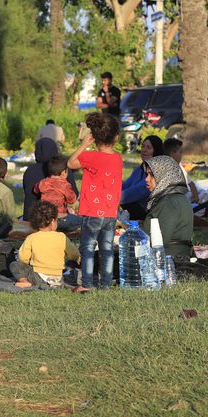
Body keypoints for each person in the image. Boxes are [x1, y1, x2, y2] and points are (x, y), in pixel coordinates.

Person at [67, 112, 122, 292]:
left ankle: (87, 284)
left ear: (95, 136)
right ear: (115, 137)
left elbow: (70, 163)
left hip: (92, 212)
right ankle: (106, 284)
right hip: (110, 213)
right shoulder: (118, 159)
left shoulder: (91, 157)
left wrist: (84, 144)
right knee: (107, 249)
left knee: (88, 249)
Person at [10, 201, 81, 289]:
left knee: (14, 265)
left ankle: (24, 281)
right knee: (70, 263)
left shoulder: (31, 238)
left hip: (38, 277)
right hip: (58, 277)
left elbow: (22, 258)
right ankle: (55, 282)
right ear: (52, 221)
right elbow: (74, 254)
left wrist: (28, 262)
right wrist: (78, 260)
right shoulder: (62, 237)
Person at [142, 155, 195, 259]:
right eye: (147, 174)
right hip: (174, 255)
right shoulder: (175, 196)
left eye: (152, 175)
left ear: (165, 176)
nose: (147, 179)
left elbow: (158, 242)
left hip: (168, 258)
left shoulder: (168, 202)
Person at [22, 137, 78, 219]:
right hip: (55, 217)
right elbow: (74, 194)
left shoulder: (29, 170)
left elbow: (29, 191)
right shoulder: (62, 168)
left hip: (31, 216)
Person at [121, 135, 164, 220]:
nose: (144, 150)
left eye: (149, 148)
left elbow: (137, 191)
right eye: (143, 146)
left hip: (150, 213)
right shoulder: (141, 168)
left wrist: (111, 199)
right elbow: (126, 185)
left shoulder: (156, 171)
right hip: (135, 206)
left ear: (156, 151)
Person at [35, 156, 81, 232]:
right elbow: (72, 200)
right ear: (63, 173)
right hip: (60, 219)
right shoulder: (65, 185)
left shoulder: (43, 182)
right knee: (81, 220)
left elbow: (35, 189)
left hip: (45, 219)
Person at [163, 138, 199, 203]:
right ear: (172, 153)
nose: (181, 155)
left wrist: (196, 199)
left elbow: (191, 183)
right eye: (180, 152)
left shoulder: (178, 165)